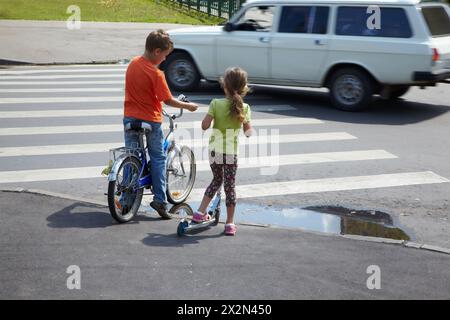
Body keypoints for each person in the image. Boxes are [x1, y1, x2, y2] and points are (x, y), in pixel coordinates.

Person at [122, 29, 198, 217]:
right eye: (164, 56)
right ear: (157, 51)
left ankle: (126, 200)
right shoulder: (156, 74)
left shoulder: (132, 63)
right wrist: (188, 107)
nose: (164, 60)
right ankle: (160, 201)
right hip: (150, 120)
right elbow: (168, 100)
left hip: (130, 118)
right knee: (158, 158)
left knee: (133, 156)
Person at [192, 67, 252, 236]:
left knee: (217, 180)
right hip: (231, 154)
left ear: (224, 85)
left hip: (214, 151)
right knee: (230, 187)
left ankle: (199, 212)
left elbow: (204, 126)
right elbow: (248, 133)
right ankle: (230, 223)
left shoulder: (215, 103)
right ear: (243, 87)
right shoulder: (245, 107)